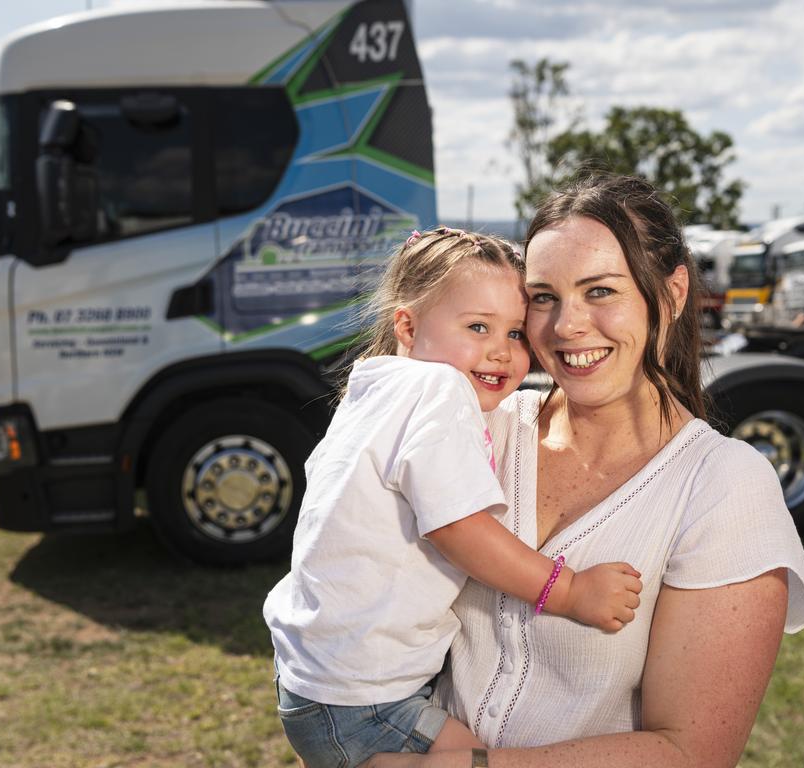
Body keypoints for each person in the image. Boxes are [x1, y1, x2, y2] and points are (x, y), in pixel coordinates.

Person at [362, 175, 804, 768]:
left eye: (600, 291)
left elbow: (692, 752)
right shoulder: (484, 431)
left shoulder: (722, 487)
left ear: (673, 292)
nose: (565, 326)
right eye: (544, 297)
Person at [262, 227, 643, 768]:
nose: (500, 351)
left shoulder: (374, 387)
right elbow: (457, 527)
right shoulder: (439, 390)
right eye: (477, 327)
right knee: (478, 760)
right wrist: (569, 590)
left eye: (515, 333)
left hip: (317, 683)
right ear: (407, 325)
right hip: (364, 697)